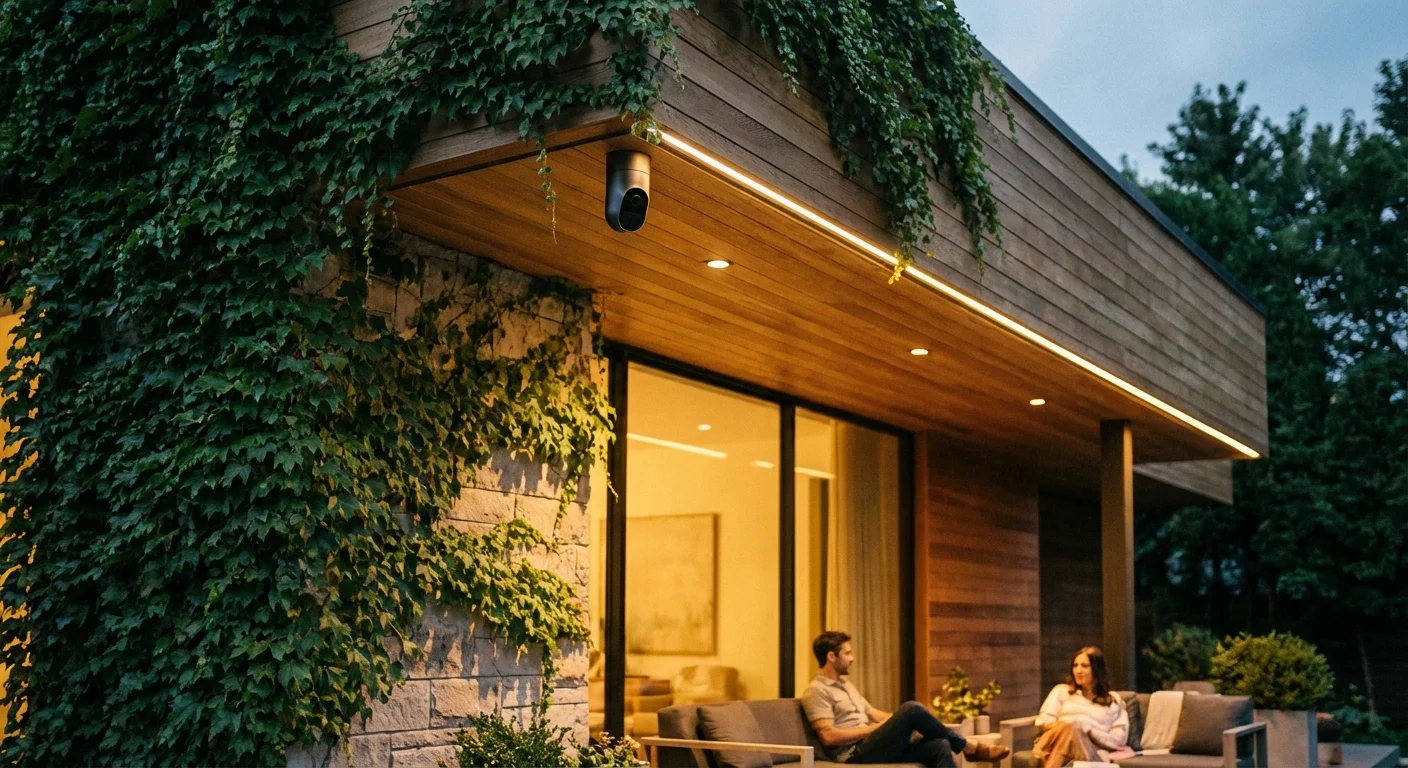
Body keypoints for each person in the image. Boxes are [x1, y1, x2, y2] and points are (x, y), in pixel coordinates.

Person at [801, 631, 1011, 768]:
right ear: (831, 656)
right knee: (911, 708)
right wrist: (877, 728)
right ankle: (969, 748)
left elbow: (872, 713)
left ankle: (964, 746)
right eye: (847, 653)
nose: (852, 658)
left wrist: (904, 723)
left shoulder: (846, 685)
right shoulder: (816, 691)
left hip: (872, 744)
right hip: (853, 754)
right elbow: (828, 737)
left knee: (939, 745)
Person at [1031, 646, 1136, 767]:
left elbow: (1118, 740)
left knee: (1075, 728)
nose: (1078, 670)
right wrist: (1071, 726)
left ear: (1097, 670)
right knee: (1072, 728)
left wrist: (1088, 729)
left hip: (1089, 753)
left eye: (1084, 666)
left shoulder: (1113, 700)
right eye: (1075, 665)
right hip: (1054, 746)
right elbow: (1043, 722)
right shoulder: (1061, 691)